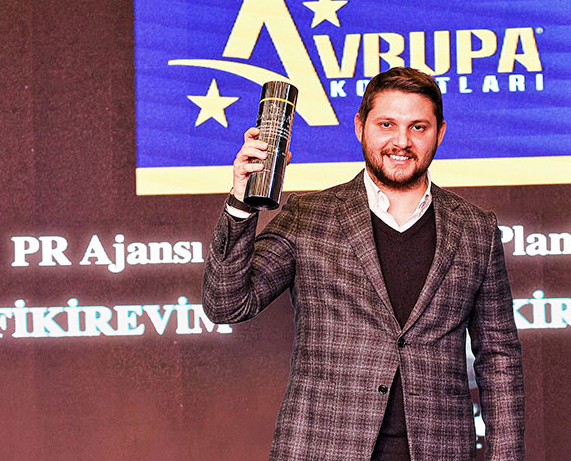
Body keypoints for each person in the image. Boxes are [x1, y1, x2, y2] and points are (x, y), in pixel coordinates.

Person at [203, 67, 524, 461]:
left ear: (440, 133)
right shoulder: (308, 216)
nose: (401, 141)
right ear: (360, 127)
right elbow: (226, 304)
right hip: (321, 451)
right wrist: (241, 202)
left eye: (418, 127)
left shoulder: (476, 230)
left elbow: (499, 357)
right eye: (387, 124)